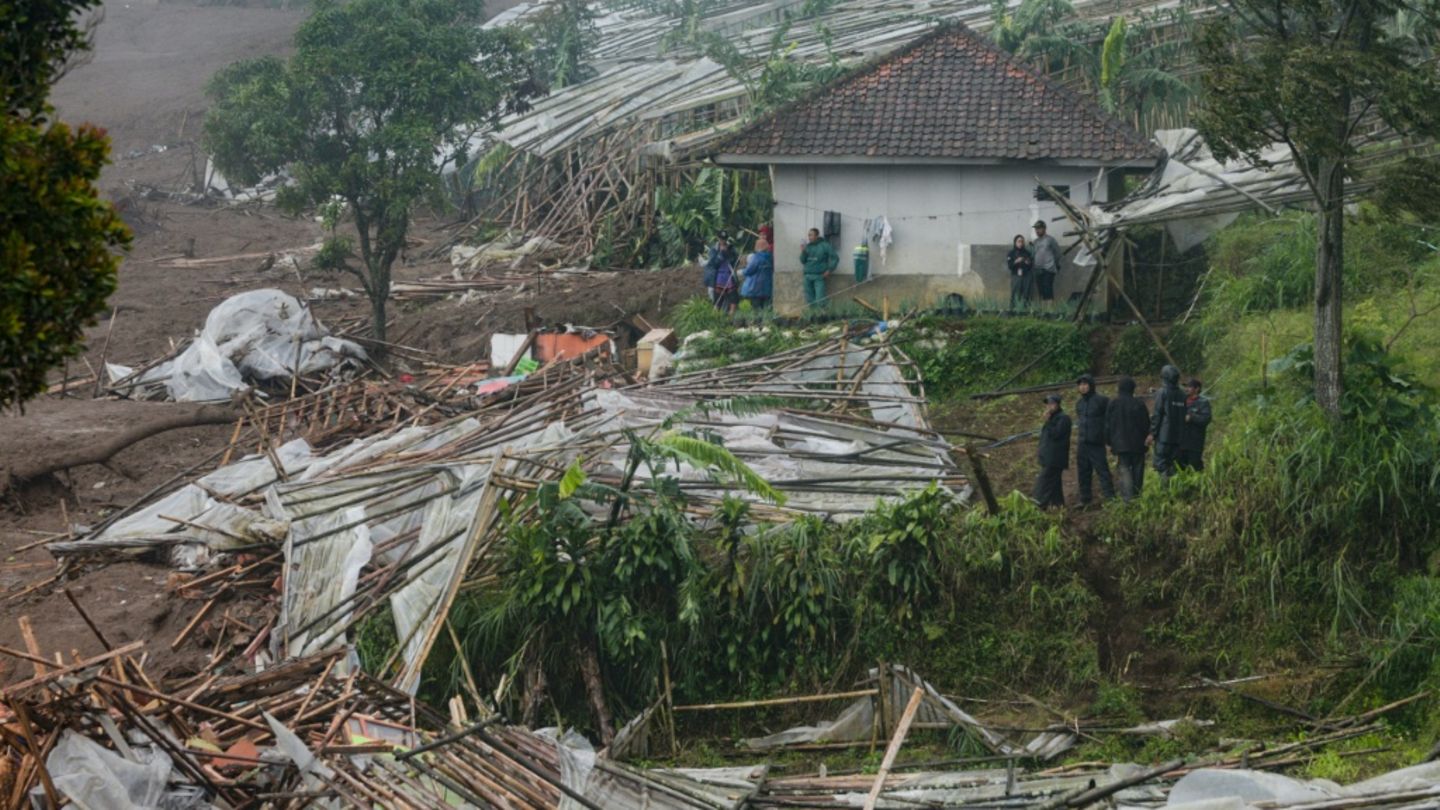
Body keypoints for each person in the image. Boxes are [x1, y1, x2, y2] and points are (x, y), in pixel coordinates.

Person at [1106, 376, 1150, 501]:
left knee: (1124, 470)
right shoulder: (1139, 403)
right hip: (1138, 444)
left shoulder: (1113, 403)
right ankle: (1137, 496)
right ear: (1132, 389)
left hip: (1120, 444)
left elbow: (1108, 425)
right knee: (1138, 470)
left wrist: (1109, 442)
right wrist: (1147, 437)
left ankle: (1127, 499)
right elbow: (1145, 423)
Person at [1074, 373, 1114, 505]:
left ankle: (1110, 497)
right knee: (1083, 471)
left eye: (1085, 384)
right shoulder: (1079, 404)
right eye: (1080, 385)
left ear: (1091, 385)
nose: (1083, 387)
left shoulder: (1102, 400)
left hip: (1096, 442)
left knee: (1102, 470)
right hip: (1083, 442)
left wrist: (1108, 438)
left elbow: (1110, 420)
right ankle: (1085, 499)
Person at [1147, 364, 1187, 478]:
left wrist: (1152, 433)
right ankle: (1174, 490)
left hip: (1164, 437)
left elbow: (1157, 414)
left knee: (1162, 464)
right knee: (1174, 465)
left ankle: (1165, 492)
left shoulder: (1162, 392)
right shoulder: (1182, 395)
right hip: (1179, 437)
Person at [1034, 394, 1071, 509]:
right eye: (1048, 404)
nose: (1049, 406)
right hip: (1048, 457)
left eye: (1052, 404)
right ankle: (1059, 506)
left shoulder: (1063, 418)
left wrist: (1048, 421)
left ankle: (1038, 506)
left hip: (1055, 459)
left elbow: (1056, 435)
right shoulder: (1052, 419)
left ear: (1058, 405)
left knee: (1043, 483)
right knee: (1055, 484)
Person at [1176, 378, 1212, 471]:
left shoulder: (1203, 402)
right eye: (1186, 387)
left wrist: (1191, 417)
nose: (1186, 389)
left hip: (1195, 441)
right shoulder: (1181, 401)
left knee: (1195, 467)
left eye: (1189, 387)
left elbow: (1206, 419)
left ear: (1197, 389)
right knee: (1180, 467)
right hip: (1180, 441)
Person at [800, 227, 839, 308]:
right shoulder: (808, 246)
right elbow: (803, 261)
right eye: (809, 235)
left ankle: (821, 316)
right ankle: (813, 316)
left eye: (811, 235)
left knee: (820, 299)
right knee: (809, 299)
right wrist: (803, 252)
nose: (809, 237)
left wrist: (829, 270)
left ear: (817, 236)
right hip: (807, 276)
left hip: (819, 276)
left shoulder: (825, 245)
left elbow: (835, 258)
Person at [1030, 220, 1063, 302]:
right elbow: (1034, 255)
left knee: (1048, 289)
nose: (1037, 231)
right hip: (1038, 269)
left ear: (1044, 229)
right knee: (1041, 291)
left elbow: (1058, 253)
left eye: (1039, 228)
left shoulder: (1050, 240)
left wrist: (1054, 264)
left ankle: (1050, 311)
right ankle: (1043, 312)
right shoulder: (1035, 241)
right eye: (1036, 229)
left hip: (1049, 268)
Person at [702, 231, 737, 303]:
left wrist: (729, 254)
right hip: (716, 276)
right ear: (718, 238)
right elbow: (713, 264)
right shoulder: (713, 249)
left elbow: (735, 261)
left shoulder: (731, 248)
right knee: (716, 297)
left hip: (728, 275)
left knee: (732, 296)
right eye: (721, 239)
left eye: (725, 239)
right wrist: (721, 254)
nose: (723, 241)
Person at [739, 238, 774, 310]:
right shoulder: (770, 257)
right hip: (767, 287)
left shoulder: (756, 257)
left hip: (755, 288)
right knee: (765, 308)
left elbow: (749, 270)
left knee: (756, 309)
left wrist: (742, 272)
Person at [1007, 234, 1034, 309]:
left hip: (1026, 276)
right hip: (1016, 276)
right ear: (1015, 242)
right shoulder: (1011, 253)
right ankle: (1013, 310)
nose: (1020, 243)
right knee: (1015, 293)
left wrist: (1028, 262)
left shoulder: (1027, 253)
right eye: (1019, 241)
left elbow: (1031, 265)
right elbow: (1010, 266)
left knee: (1026, 293)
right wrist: (1016, 261)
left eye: (1022, 241)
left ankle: (1025, 310)